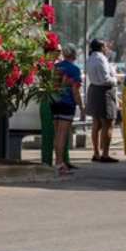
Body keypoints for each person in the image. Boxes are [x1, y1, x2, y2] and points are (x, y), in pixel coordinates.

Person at [85, 38, 120, 163]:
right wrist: (116, 80)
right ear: (101, 47)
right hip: (104, 92)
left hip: (94, 90)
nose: (107, 48)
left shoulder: (90, 58)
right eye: (105, 46)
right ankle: (105, 154)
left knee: (96, 123)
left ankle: (96, 153)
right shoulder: (101, 58)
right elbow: (106, 79)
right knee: (108, 123)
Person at [51, 44, 84, 176]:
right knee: (62, 135)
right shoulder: (74, 69)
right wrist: (81, 107)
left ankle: (58, 162)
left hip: (55, 102)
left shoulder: (56, 67)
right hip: (67, 103)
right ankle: (59, 163)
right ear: (74, 55)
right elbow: (75, 90)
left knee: (57, 134)